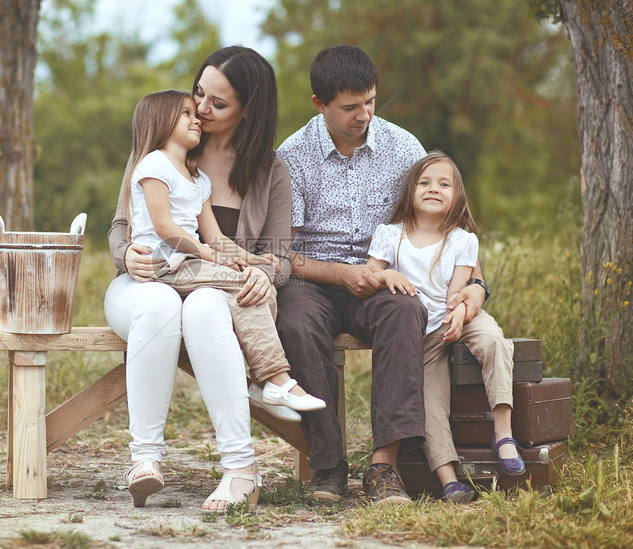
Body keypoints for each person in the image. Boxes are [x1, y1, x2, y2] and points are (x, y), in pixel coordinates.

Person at [276, 45, 490, 504]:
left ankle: (383, 466)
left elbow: (448, 224)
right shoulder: (292, 156)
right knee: (293, 321)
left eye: (370, 102)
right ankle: (328, 466)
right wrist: (343, 274)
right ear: (320, 104)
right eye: (350, 107)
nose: (364, 115)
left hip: (385, 280)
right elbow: (282, 252)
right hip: (313, 281)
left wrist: (476, 284)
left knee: (404, 310)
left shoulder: (402, 147)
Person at [104, 46, 295, 512]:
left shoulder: (270, 172)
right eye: (198, 95)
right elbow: (120, 227)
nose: (202, 110)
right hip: (145, 286)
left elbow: (279, 256)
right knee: (161, 304)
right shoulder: (159, 152)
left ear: (248, 111)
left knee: (205, 305)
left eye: (219, 103)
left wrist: (264, 275)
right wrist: (127, 255)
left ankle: (241, 470)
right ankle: (144, 460)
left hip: (216, 292)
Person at [119, 89, 325, 418]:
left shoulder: (196, 178)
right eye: (186, 113)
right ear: (161, 121)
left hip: (187, 262)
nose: (196, 118)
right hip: (162, 262)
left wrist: (255, 260)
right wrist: (210, 256)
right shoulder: (153, 164)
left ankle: (265, 381)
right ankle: (277, 378)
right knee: (241, 284)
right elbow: (164, 229)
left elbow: (215, 238)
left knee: (258, 287)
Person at [365, 151, 522, 503]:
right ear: (410, 191)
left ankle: (503, 430)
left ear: (457, 196)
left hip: (461, 316)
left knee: (495, 340)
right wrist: (386, 273)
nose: (433, 188)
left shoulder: (462, 239)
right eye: (424, 182)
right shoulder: (390, 235)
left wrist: (460, 314)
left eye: (443, 183)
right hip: (424, 332)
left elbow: (459, 291)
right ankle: (449, 478)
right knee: (430, 401)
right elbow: (370, 273)